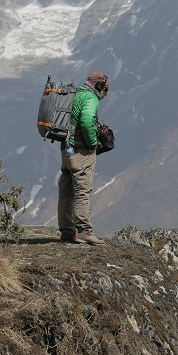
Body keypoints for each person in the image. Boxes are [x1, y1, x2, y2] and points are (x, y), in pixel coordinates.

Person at [58, 71, 110, 245]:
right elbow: (87, 122)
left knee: (66, 190)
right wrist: (93, 143)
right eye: (106, 90)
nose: (104, 95)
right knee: (82, 190)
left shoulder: (76, 94)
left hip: (67, 149)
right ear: (100, 85)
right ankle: (84, 231)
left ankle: (67, 231)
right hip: (81, 151)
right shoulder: (90, 98)